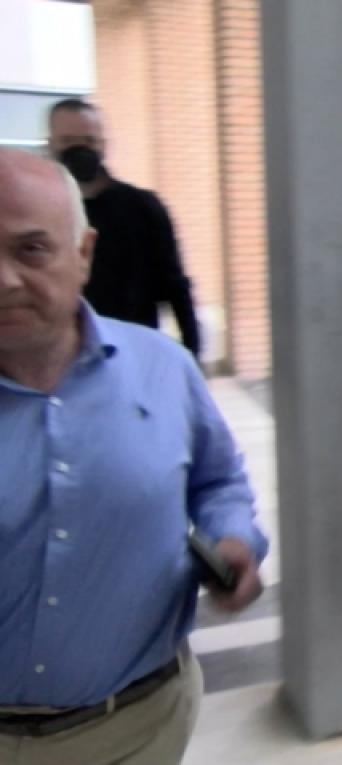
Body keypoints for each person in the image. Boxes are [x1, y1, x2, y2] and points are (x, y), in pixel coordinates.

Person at [0, 149, 267, 764]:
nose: (4, 279)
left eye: (31, 250)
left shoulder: (163, 368)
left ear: (83, 253)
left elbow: (219, 481)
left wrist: (233, 539)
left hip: (140, 730)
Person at [47, 99, 201, 359]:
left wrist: (191, 356)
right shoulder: (38, 213)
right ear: (51, 145)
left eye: (89, 141)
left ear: (103, 145)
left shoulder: (142, 207)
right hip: (60, 360)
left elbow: (175, 285)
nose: (80, 150)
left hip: (135, 354)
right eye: (67, 141)